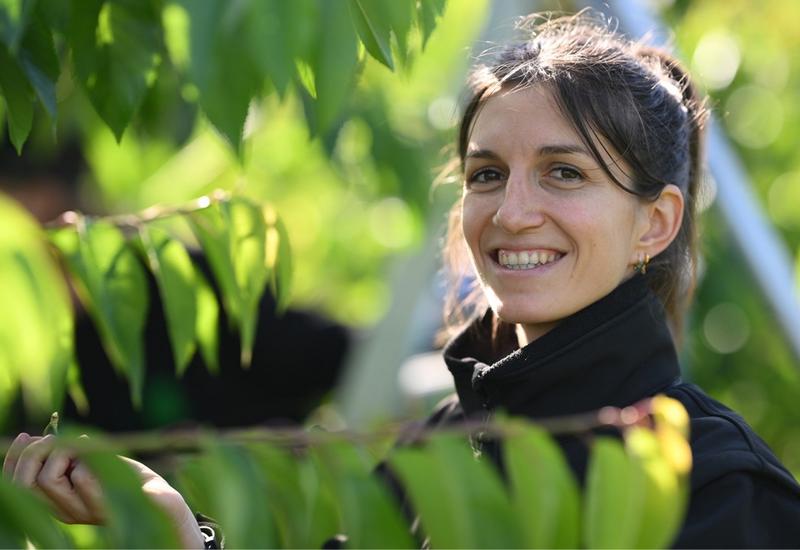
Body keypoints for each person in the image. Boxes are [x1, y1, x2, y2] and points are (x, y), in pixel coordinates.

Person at [3, 11, 800, 549]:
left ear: (654, 223)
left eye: (564, 173)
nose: (512, 212)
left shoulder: (723, 486)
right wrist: (176, 529)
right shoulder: (443, 445)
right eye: (487, 175)